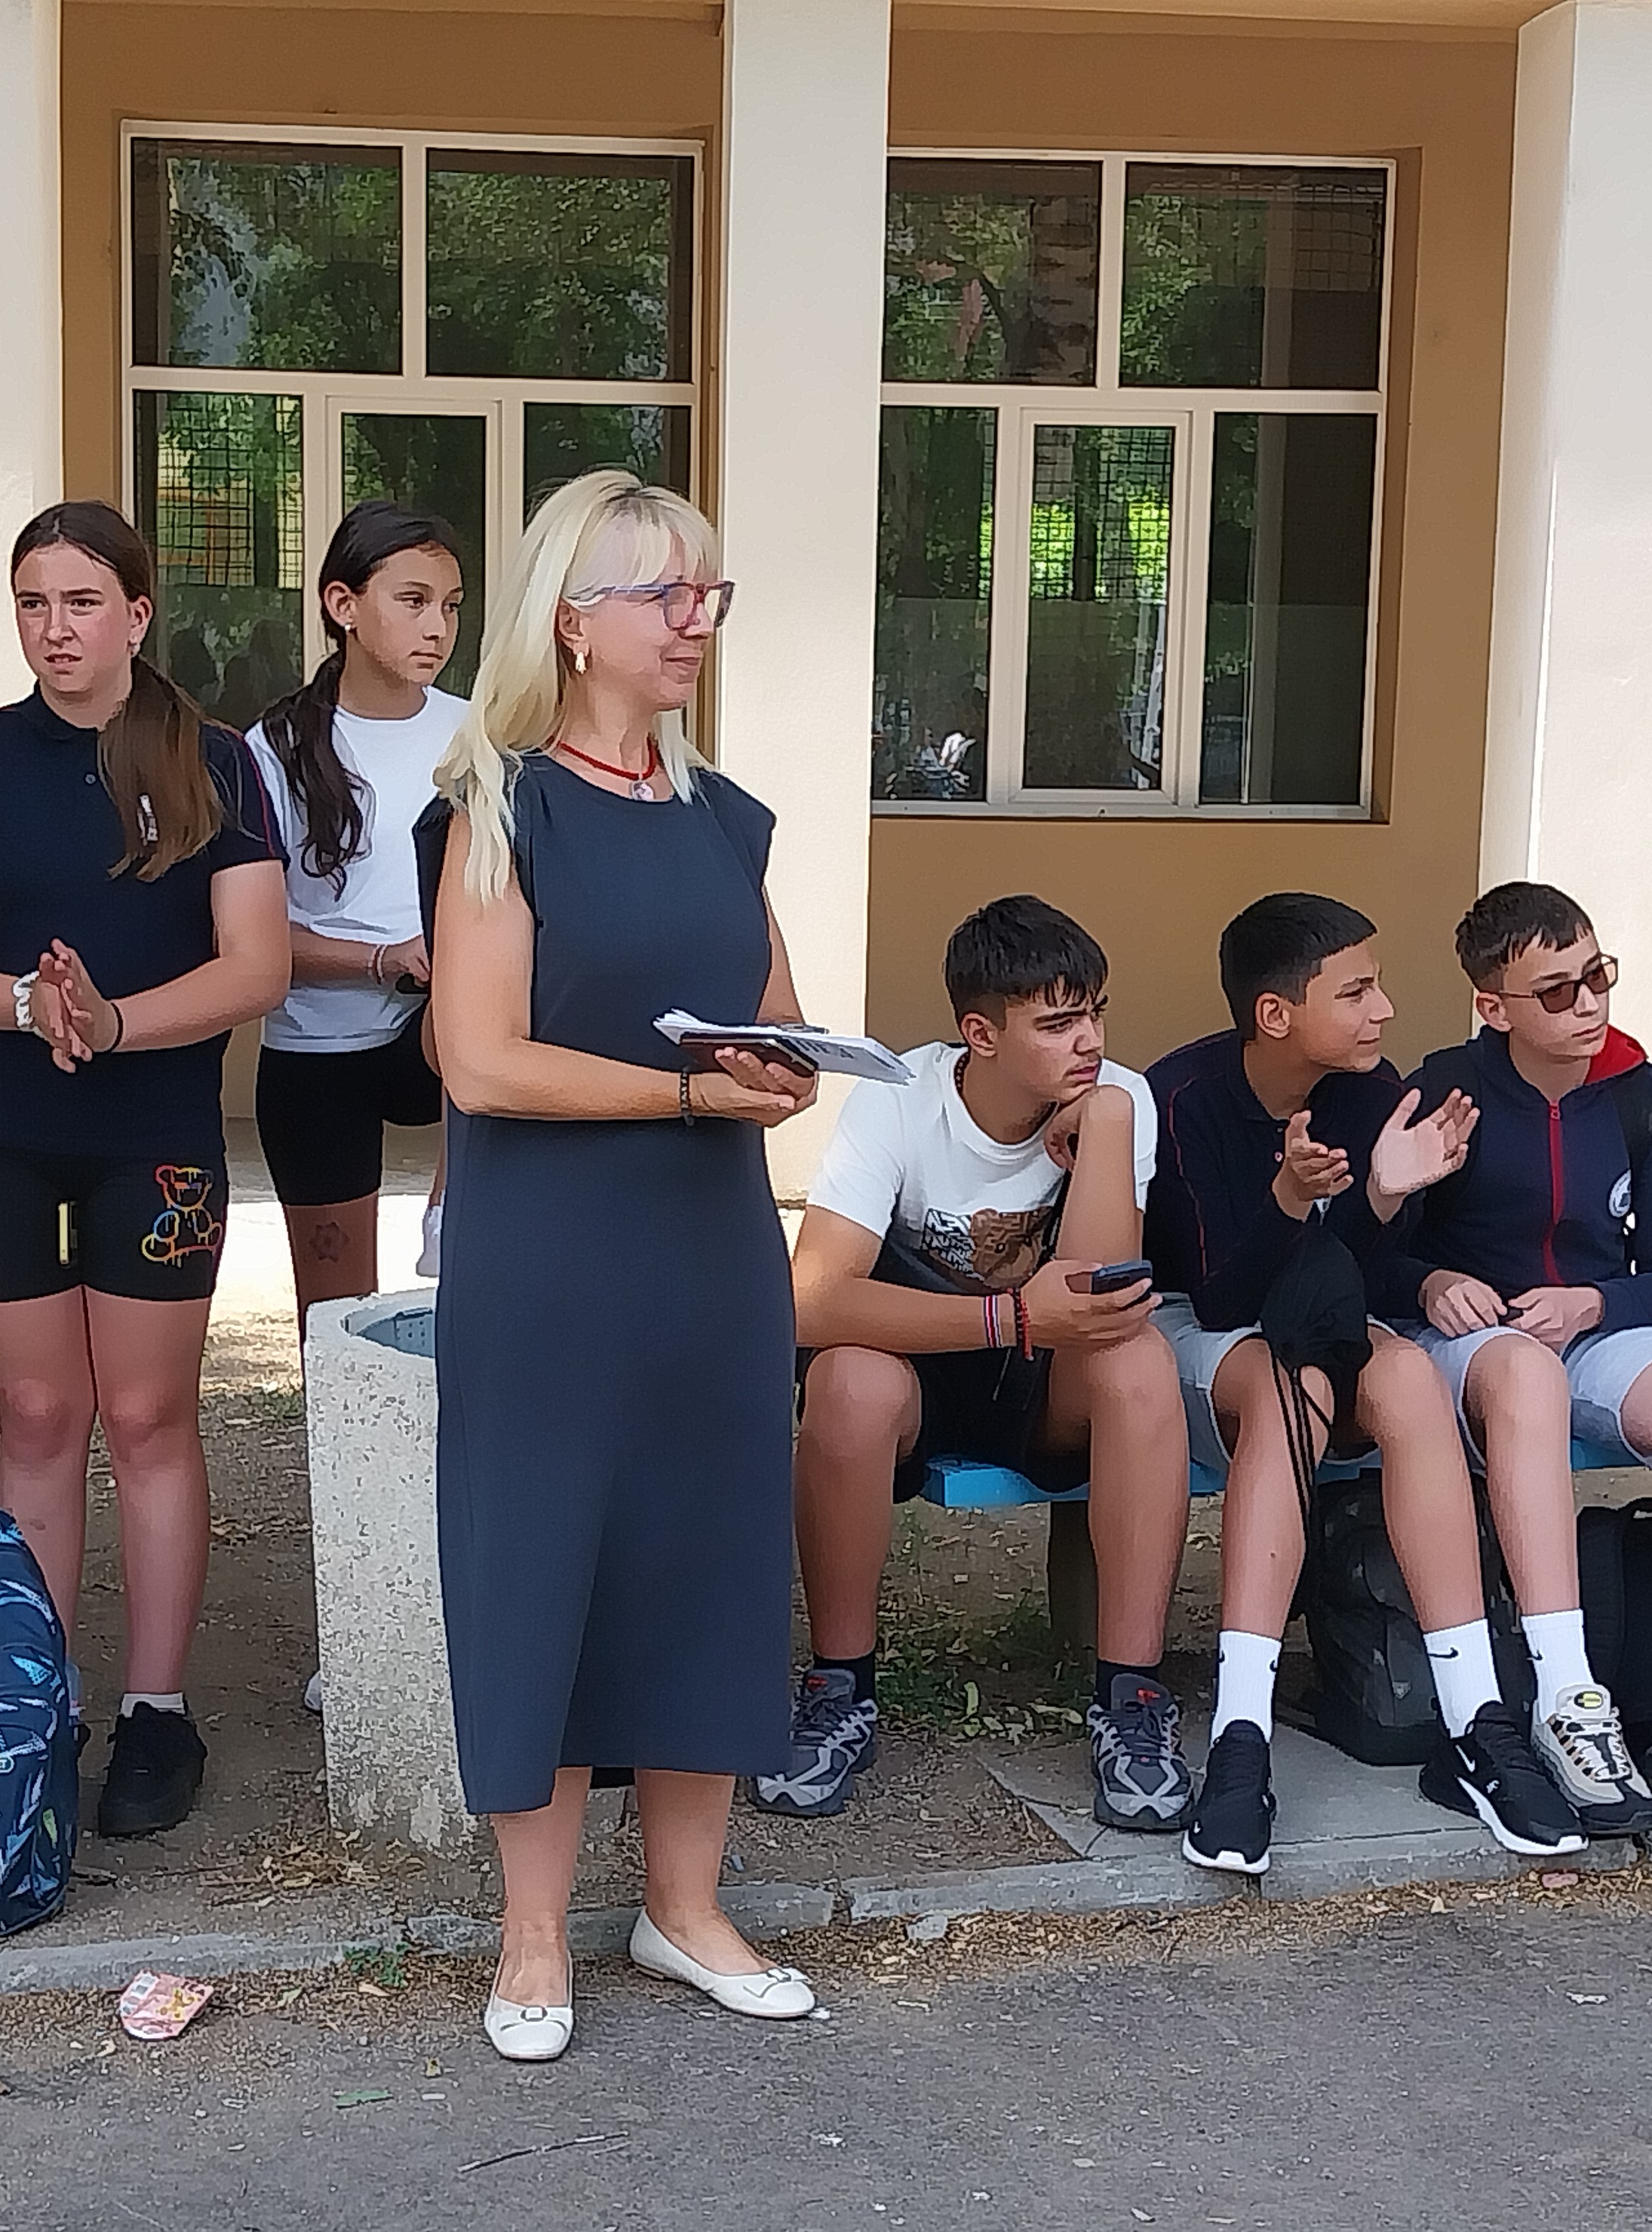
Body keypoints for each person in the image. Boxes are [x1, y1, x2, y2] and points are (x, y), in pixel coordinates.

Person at [422, 468, 818, 2066]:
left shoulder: (724, 815)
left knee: (707, 1559)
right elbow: (480, 1058)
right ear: (574, 621)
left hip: (710, 1249)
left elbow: (773, 1005)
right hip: (550, 1258)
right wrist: (687, 1093)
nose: (695, 620)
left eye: (708, 593)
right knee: (541, 1568)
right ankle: (532, 1931)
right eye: (666, 593)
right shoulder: (499, 803)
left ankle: (685, 1906)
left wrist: (785, 1067)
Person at [0, 499, 290, 1837]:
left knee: (150, 1417)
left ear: (136, 612)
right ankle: (37, 1699)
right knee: (38, 1417)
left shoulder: (215, 762)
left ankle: (157, 1710)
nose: (55, 629)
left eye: (81, 601)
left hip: (155, 1145)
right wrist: (24, 1002)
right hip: (2, 1140)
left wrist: (111, 1023)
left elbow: (255, 965)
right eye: (32, 603)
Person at [1144, 892, 1592, 1870]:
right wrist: (1286, 1196)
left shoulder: (1369, 1090)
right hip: (1206, 1328)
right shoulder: (1180, 1099)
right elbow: (1222, 1295)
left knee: (1410, 1381)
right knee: (1293, 1389)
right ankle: (1240, 1734)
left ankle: (1477, 1720)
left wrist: (1385, 1193)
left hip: (1319, 1312)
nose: (1384, 1008)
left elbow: (1347, 1277)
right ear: (1275, 1013)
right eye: (1355, 991)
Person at [765, 896, 1196, 1834]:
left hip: (1047, 1382)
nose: (1089, 1041)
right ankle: (840, 1686)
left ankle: (1130, 1699)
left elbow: (1098, 1299)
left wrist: (1107, 1120)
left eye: (1095, 1013)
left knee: (1138, 1362)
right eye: (1057, 1023)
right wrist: (1009, 1314)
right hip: (923, 1361)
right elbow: (812, 1298)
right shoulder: (899, 1098)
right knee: (846, 1379)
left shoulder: (1118, 1096)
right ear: (980, 1033)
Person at [1384, 883, 1652, 1848]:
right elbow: (1371, 1257)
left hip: (1590, 1331)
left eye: (1597, 975)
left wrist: (1596, 1302)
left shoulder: (1639, 1092)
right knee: (1525, 1376)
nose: (1589, 1006)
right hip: (1473, 1345)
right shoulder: (1444, 1090)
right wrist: (1431, 1281)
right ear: (1492, 1008)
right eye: (1557, 991)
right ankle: (1566, 1697)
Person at [245, 499, 467, 1326]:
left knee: (491, 1009)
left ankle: (454, 1205)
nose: (437, 627)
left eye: (450, 606)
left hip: (441, 1034)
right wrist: (383, 958)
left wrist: (445, 957)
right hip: (318, 1045)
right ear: (343, 605)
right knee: (333, 1313)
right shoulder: (272, 748)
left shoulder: (478, 733)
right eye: (413, 601)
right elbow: (250, 938)